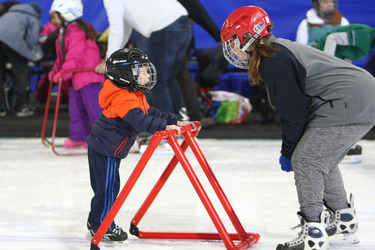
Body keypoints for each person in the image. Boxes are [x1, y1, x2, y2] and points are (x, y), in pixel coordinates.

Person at [220, 5, 375, 250]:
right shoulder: (276, 51)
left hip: (349, 101)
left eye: (233, 43)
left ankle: (313, 231)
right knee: (322, 159)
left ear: (250, 37)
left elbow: (294, 113)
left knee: (307, 160)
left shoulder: (272, 60)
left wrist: (288, 151)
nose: (232, 51)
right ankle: (343, 218)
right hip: (358, 97)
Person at [86, 48, 191, 242]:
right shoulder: (123, 97)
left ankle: (96, 221)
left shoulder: (133, 94)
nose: (146, 75)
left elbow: (150, 113)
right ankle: (102, 225)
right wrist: (165, 126)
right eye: (140, 72)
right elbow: (141, 122)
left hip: (108, 149)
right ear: (125, 75)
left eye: (145, 71)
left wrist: (174, 120)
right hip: (105, 150)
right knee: (107, 189)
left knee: (107, 188)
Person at [95, 0, 191, 119]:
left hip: (165, 26)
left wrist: (109, 62)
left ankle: (168, 126)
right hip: (183, 21)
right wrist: (112, 58)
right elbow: (125, 28)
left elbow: (117, 30)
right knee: (169, 78)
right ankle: (182, 120)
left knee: (156, 81)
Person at [48, 0, 104, 149]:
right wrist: (55, 70)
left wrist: (62, 73)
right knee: (76, 109)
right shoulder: (64, 32)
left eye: (55, 16)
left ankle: (106, 138)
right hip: (77, 78)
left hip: (88, 77)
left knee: (95, 110)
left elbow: (74, 55)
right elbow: (62, 57)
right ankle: (79, 138)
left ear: (66, 14)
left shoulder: (76, 31)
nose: (52, 20)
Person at [175, 0, 220, 126]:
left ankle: (188, 115)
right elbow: (202, 16)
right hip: (178, 39)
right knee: (181, 76)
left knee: (170, 77)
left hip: (157, 39)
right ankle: (194, 115)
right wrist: (219, 37)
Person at [0, 2, 42, 117]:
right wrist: (30, 53)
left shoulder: (8, 14)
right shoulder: (32, 16)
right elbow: (32, 38)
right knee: (22, 72)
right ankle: (20, 106)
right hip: (13, 42)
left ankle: (1, 108)